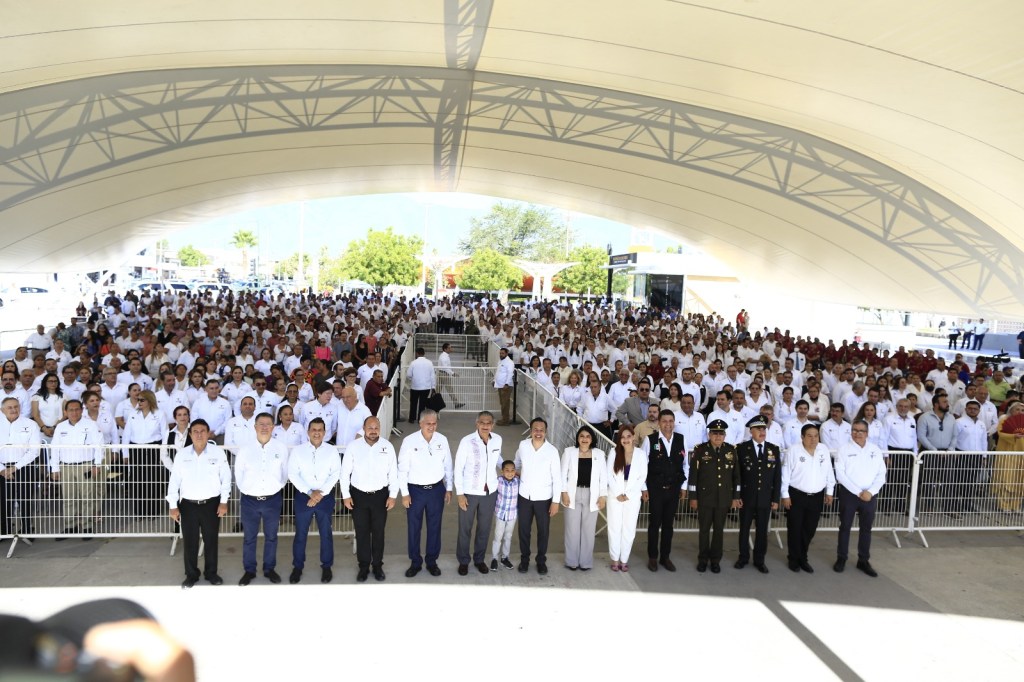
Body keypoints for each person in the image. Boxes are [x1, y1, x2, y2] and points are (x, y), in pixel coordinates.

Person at [165, 419, 231, 588]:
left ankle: (211, 573)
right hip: (188, 505)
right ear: (190, 434)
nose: (199, 434)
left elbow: (226, 479)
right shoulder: (182, 454)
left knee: (211, 540)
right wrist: (173, 505)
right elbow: (174, 481)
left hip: (211, 504)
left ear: (208, 433)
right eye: (195, 431)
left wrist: (223, 502)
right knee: (190, 541)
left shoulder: (218, 453)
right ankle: (191, 574)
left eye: (203, 431)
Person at [340, 416, 398, 582]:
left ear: (380, 428)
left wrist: (393, 495)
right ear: (364, 428)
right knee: (362, 532)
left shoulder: (387, 447)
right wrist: (346, 495)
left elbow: (393, 473)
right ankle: (364, 566)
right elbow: (345, 473)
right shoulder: (353, 447)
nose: (373, 431)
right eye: (370, 427)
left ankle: (378, 565)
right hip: (358, 496)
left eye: (376, 427)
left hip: (380, 496)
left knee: (379, 532)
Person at [235, 412, 289, 586]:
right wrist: (248, 490)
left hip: (272, 500)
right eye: (261, 424)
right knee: (249, 537)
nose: (265, 427)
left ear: (273, 427)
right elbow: (239, 474)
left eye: (268, 424)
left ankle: (269, 569)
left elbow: (285, 473)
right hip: (250, 500)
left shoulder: (280, 448)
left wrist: (277, 487)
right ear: (255, 427)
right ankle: (249, 570)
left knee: (271, 536)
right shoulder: (245, 449)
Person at [398, 409, 452, 577]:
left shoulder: (442, 440)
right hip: (415, 491)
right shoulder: (409, 441)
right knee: (414, 527)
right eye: (428, 423)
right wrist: (405, 493)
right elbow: (402, 469)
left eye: (434, 423)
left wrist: (449, 488)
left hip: (436, 490)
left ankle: (431, 561)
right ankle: (415, 562)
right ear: (420, 423)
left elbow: (448, 465)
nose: (432, 426)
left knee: (434, 527)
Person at [287, 418, 340, 584]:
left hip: (325, 496)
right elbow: (293, 474)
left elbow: (335, 474)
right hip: (304, 496)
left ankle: (326, 566)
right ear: (308, 432)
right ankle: (297, 567)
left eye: (320, 430)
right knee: (300, 533)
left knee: (326, 533)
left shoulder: (332, 451)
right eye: (313, 429)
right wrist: (310, 493)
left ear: (324, 432)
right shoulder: (298, 451)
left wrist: (319, 494)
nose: (317, 432)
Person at [833, 420, 887, 577]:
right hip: (850, 495)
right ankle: (841, 558)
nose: (857, 433)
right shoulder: (843, 449)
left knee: (866, 529)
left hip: (870, 495)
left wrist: (871, 491)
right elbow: (840, 474)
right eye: (854, 430)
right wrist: (858, 492)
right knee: (845, 527)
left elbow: (881, 474)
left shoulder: (875, 450)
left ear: (867, 433)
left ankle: (863, 560)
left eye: (861, 431)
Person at [780, 423, 835, 573]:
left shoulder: (823, 449)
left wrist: (830, 491)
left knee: (809, 529)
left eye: (816, 436)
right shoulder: (793, 450)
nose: (813, 439)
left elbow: (829, 471)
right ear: (802, 437)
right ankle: (793, 558)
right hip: (796, 495)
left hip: (817, 496)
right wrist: (785, 494)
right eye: (809, 436)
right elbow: (785, 474)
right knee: (795, 528)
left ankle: (803, 557)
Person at [688, 419, 740, 573]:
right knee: (704, 530)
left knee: (719, 531)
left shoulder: (731, 451)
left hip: (723, 498)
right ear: (709, 434)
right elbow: (693, 476)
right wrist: (693, 497)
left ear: (725, 435)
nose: (718, 436)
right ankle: (703, 559)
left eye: (721, 433)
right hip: (705, 498)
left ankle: (715, 560)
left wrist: (735, 497)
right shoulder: (700, 450)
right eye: (715, 433)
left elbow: (736, 476)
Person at [453, 411, 502, 575]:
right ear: (477, 424)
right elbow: (458, 468)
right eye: (482, 422)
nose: (485, 425)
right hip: (469, 493)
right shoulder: (467, 441)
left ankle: (479, 559)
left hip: (490, 493)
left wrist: (510, 468)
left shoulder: (497, 440)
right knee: (465, 528)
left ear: (492, 425)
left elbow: (496, 458)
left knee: (484, 528)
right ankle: (463, 560)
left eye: (489, 422)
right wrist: (460, 494)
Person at [49, 400, 104, 539]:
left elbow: (99, 446)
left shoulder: (90, 425)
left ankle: (87, 527)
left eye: (77, 409)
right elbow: (55, 449)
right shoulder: (60, 427)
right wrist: (54, 468)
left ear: (82, 410)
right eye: (71, 410)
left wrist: (97, 465)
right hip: (66, 466)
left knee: (87, 497)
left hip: (85, 465)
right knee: (68, 498)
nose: (74, 412)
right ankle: (70, 526)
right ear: (65, 412)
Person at [514, 417, 562, 574]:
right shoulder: (523, 446)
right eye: (535, 429)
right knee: (523, 530)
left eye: (541, 430)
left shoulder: (552, 451)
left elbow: (557, 478)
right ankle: (524, 559)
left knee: (543, 531)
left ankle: (541, 560)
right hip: (524, 497)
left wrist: (555, 502)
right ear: (530, 430)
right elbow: (517, 464)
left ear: (546, 432)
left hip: (544, 498)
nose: (538, 432)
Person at [641, 409, 687, 572]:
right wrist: (644, 488)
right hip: (656, 489)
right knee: (655, 523)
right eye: (665, 421)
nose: (668, 424)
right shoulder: (650, 440)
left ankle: (665, 557)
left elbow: (685, 464)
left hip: (673, 488)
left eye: (670, 421)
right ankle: (653, 557)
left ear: (674, 423)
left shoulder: (681, 439)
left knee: (668, 524)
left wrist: (683, 487)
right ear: (659, 423)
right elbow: (643, 464)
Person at [735, 415, 781, 573]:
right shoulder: (741, 449)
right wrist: (737, 496)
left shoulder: (773, 449)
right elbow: (738, 475)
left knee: (762, 531)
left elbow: (777, 476)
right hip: (746, 497)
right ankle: (743, 557)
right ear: (751, 431)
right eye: (758, 429)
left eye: (764, 428)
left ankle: (759, 560)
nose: (762, 431)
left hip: (765, 498)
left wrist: (776, 499)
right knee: (744, 529)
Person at [560, 425, 607, 571]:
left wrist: (603, 496)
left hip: (591, 495)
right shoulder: (569, 452)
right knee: (571, 529)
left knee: (588, 530)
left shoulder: (599, 454)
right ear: (577, 438)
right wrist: (564, 493)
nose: (584, 439)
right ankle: (571, 561)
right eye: (581, 436)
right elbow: (562, 475)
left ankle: (586, 562)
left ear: (592, 439)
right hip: (572, 494)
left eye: (587, 436)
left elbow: (603, 477)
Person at [605, 424, 647, 572]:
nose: (626, 439)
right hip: (615, 494)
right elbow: (608, 474)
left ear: (633, 437)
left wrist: (628, 493)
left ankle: (624, 559)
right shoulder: (613, 452)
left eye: (628, 436)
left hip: (633, 495)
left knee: (629, 528)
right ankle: (615, 559)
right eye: (622, 437)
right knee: (614, 527)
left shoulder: (641, 454)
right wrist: (617, 492)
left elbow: (642, 476)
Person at [0, 397, 41, 537]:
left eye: (16, 406)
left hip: (24, 467)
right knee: (3, 500)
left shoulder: (30, 424)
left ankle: (27, 530)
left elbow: (34, 450)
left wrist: (15, 467)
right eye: (10, 407)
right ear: (2, 409)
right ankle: (4, 531)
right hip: (2, 469)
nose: (13, 410)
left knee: (25, 499)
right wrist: (2, 469)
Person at [121, 390, 166, 517]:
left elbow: (165, 434)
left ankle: (153, 511)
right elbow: (126, 434)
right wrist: (125, 453)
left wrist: (163, 453)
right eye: (138, 399)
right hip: (136, 449)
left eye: (142, 400)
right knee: (137, 480)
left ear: (149, 400)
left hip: (153, 449)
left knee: (153, 480)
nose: (139, 402)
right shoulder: (133, 414)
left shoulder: (160, 414)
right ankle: (139, 511)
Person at [490, 460, 519, 570]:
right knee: (498, 537)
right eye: (507, 470)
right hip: (500, 514)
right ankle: (494, 558)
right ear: (502, 471)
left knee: (508, 537)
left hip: (512, 515)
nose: (510, 473)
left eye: (512, 470)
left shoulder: (518, 482)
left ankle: (505, 558)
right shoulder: (498, 481)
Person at [406, 347, 435, 424]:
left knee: (413, 403)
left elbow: (408, 375)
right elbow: (432, 375)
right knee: (422, 404)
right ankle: (420, 419)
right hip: (426, 387)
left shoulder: (413, 363)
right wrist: (433, 387)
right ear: (424, 353)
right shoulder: (429, 363)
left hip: (415, 386)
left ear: (417, 353)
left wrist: (413, 378)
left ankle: (412, 418)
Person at [494, 347, 515, 425]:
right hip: (500, 385)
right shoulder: (500, 361)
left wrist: (506, 384)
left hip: (506, 386)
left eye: (502, 353)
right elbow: (498, 372)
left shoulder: (509, 362)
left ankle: (505, 420)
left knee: (505, 403)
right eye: (500, 353)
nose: (501, 354)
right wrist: (494, 381)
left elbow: (510, 374)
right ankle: (505, 418)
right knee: (502, 403)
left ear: (506, 353)